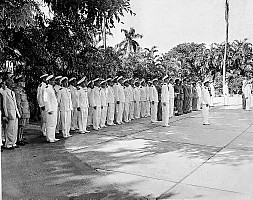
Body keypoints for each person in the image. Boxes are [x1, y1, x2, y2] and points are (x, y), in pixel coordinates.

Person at [2, 78, 20, 149]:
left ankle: (13, 142)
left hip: (14, 112)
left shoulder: (12, 92)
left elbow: (15, 104)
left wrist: (17, 112)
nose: (12, 84)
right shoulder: (5, 92)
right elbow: (4, 105)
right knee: (9, 129)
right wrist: (6, 114)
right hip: (9, 113)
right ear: (8, 84)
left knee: (15, 128)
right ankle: (8, 144)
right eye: (11, 83)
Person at [14, 76, 30, 146]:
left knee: (23, 126)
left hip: (25, 110)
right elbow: (18, 103)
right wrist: (20, 112)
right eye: (22, 81)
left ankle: (21, 138)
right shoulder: (17, 91)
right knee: (20, 126)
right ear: (19, 83)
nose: (24, 83)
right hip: (22, 111)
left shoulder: (22, 90)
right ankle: (18, 139)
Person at [44, 75, 60, 142]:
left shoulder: (52, 88)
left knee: (54, 123)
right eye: (52, 80)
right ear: (49, 81)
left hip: (54, 108)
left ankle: (52, 137)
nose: (54, 82)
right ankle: (49, 138)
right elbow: (46, 99)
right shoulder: (47, 88)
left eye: (54, 80)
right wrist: (49, 109)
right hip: (50, 109)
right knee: (50, 124)